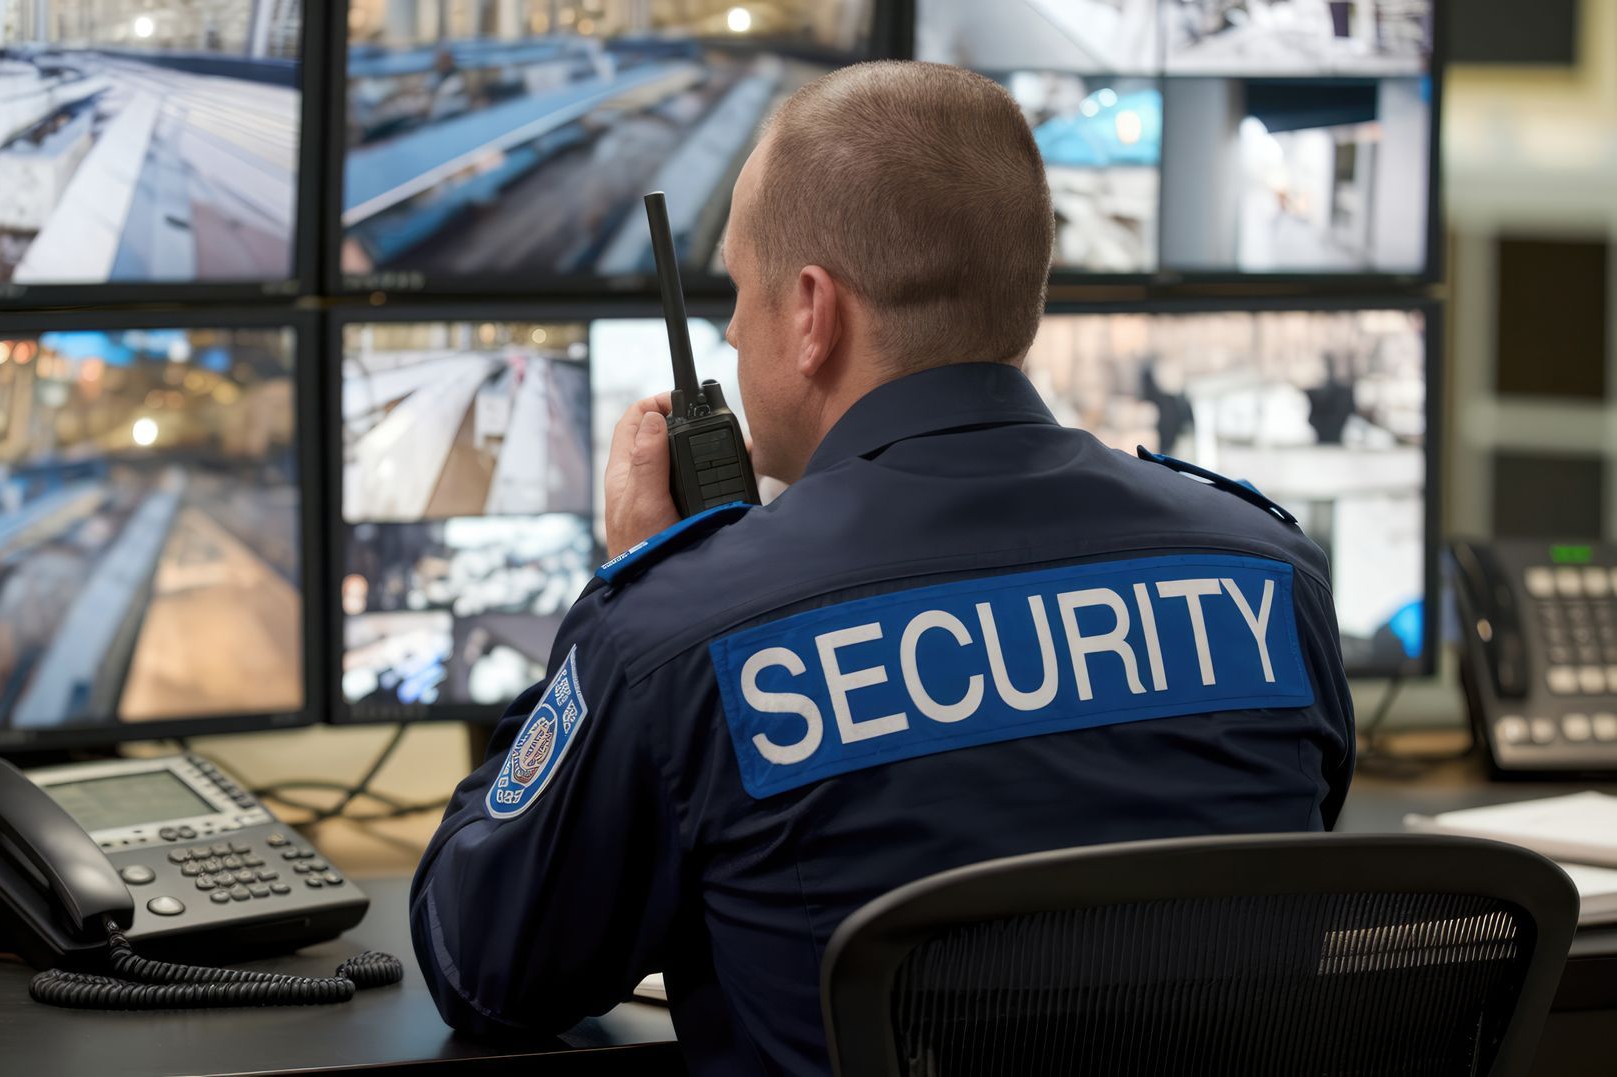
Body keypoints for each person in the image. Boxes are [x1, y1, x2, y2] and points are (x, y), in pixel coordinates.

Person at [409, 61, 1354, 1076]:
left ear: (814, 313)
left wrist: (637, 591)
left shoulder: (683, 631)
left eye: (740, 288)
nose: (730, 329)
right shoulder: (1272, 576)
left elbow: (486, 972)